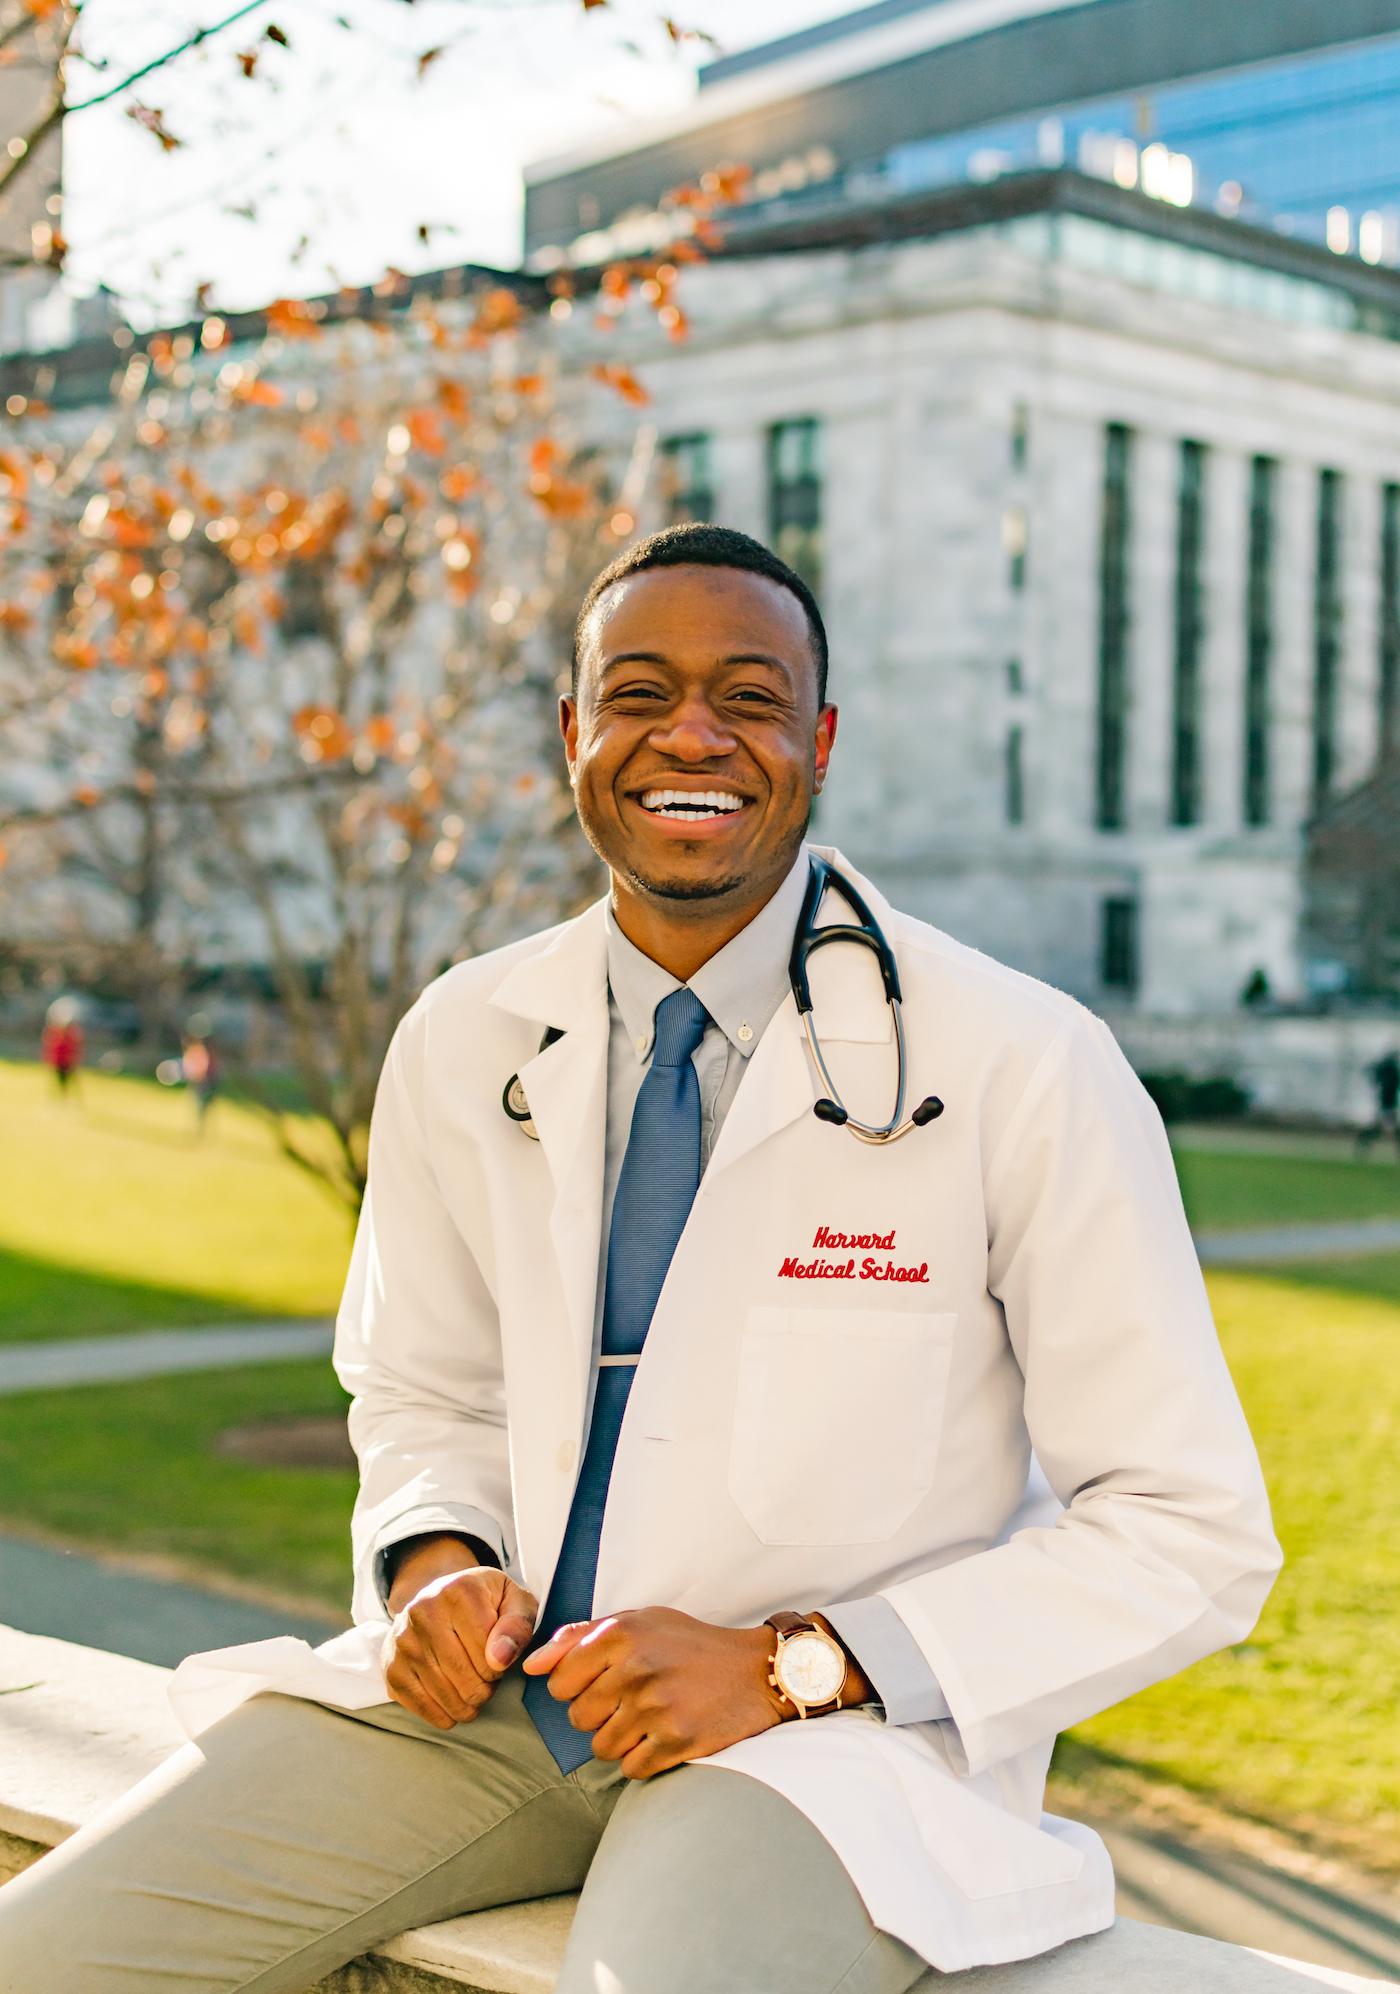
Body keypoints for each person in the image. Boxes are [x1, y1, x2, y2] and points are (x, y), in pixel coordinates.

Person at [0, 524, 1282, 1994]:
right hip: (494, 1715)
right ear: (572, 732)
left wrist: (800, 1660)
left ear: (821, 740)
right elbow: (422, 1389)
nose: (692, 734)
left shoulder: (1021, 1061)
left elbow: (1189, 1529)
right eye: (639, 692)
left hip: (824, 1754)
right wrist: (435, 1567)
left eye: (748, 697)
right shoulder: (462, 1035)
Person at [1356, 1047, 1400, 1157]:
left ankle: (1363, 1143)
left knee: (1381, 1128)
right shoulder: (1391, 1073)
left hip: (1386, 1104)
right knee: (1386, 1129)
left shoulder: (1385, 1072)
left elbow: (1373, 1075)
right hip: (1388, 1105)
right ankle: (1363, 1142)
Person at [39, 996, 84, 1097]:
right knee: (59, 1080)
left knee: (70, 1080)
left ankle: (70, 1096)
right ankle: (61, 1096)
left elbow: (75, 1048)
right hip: (59, 1061)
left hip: (68, 1062)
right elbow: (51, 1048)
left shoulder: (72, 1034)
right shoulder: (55, 1033)